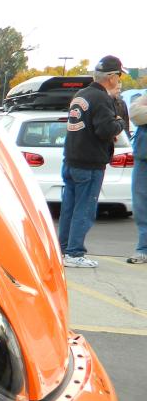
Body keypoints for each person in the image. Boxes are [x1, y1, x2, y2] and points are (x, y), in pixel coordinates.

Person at [57, 55, 126, 269]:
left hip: (71, 159)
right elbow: (105, 129)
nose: (119, 79)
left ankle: (64, 249)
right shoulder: (101, 98)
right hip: (89, 162)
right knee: (85, 209)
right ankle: (75, 253)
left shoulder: (81, 94)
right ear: (112, 77)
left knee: (69, 207)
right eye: (119, 75)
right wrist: (120, 122)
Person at [129, 93, 147, 264]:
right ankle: (143, 249)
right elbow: (135, 113)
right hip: (143, 159)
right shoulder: (144, 95)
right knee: (141, 207)